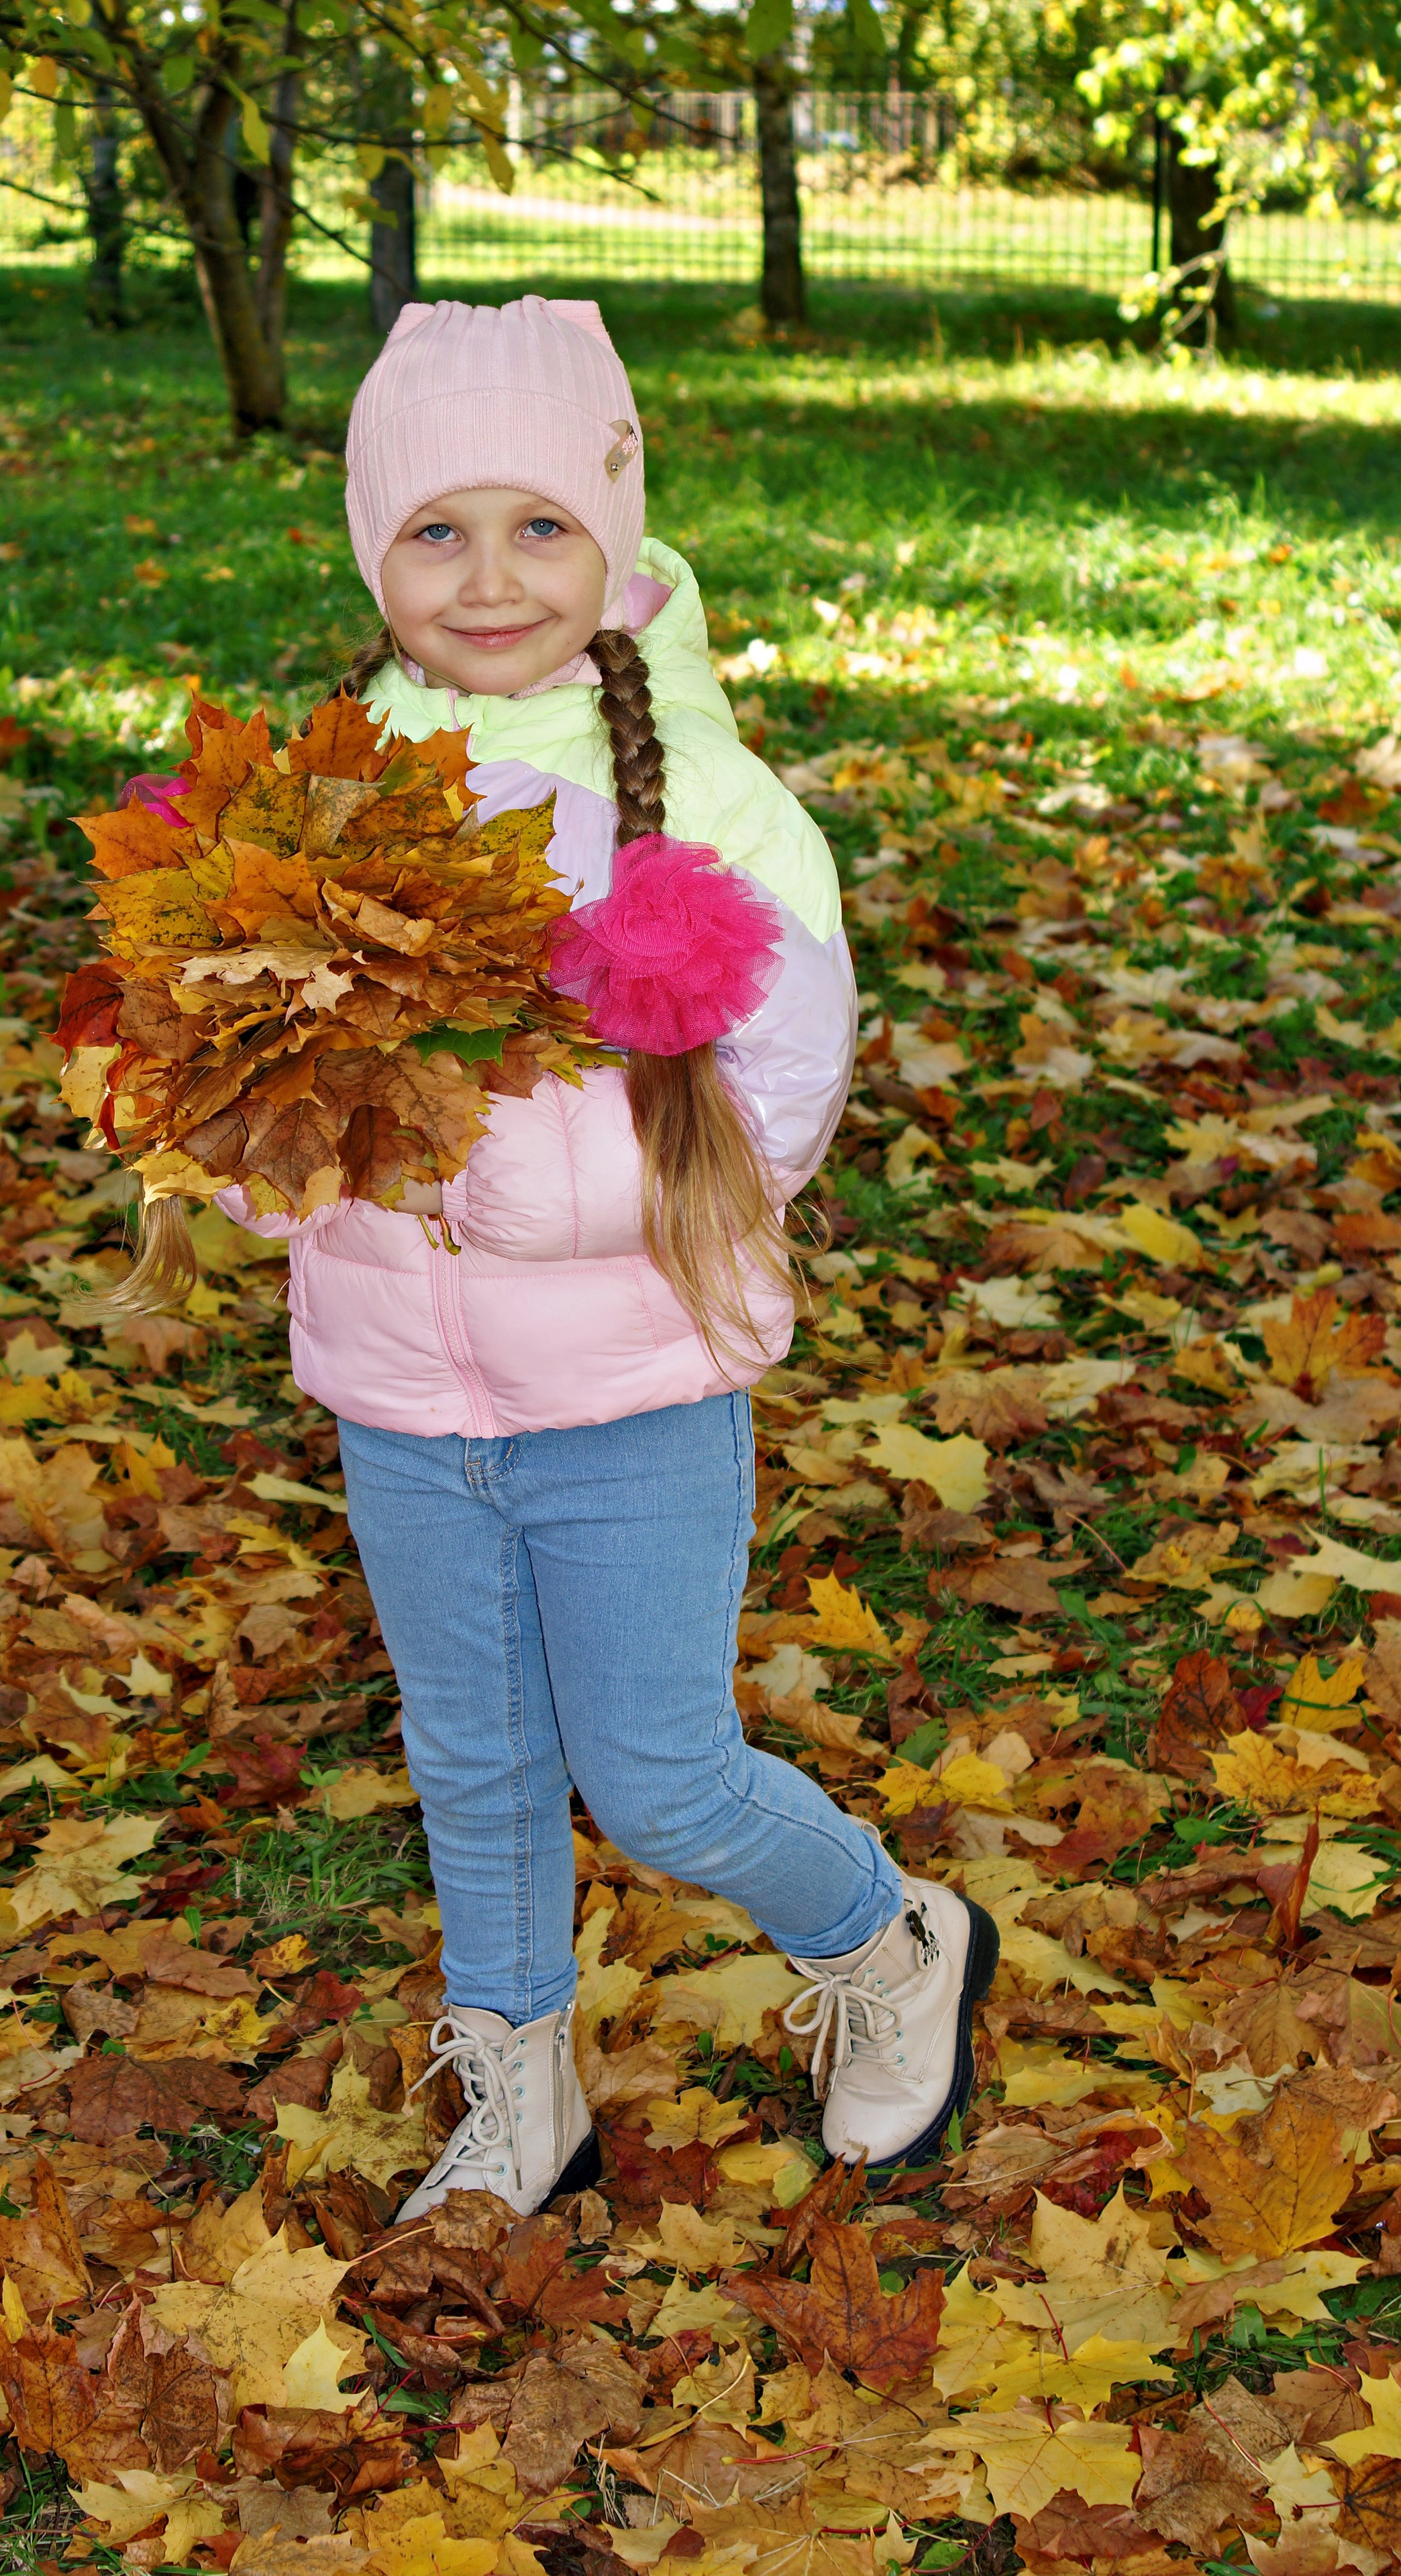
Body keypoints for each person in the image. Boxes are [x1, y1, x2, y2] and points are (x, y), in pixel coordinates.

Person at [218, 295, 996, 2218]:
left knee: (652, 1776)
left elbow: (770, 1114)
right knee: (473, 1760)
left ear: (619, 531)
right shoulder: (325, 797)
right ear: (368, 550)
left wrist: (493, 1190)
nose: (489, 580)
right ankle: (521, 2085)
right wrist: (274, 1159)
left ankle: (892, 1943)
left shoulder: (715, 812)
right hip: (401, 1390)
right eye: (437, 531)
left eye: (540, 525)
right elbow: (254, 1057)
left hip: (629, 1388)